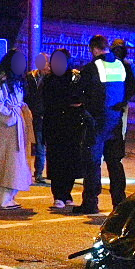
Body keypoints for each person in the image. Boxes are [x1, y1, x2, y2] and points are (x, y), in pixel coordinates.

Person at [74, 37, 135, 214]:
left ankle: (90, 202)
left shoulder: (90, 68)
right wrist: (122, 101)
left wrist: (87, 107)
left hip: (96, 122)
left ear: (94, 49)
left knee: (93, 163)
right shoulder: (120, 64)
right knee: (115, 163)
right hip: (115, 120)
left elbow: (80, 93)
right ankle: (119, 203)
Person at [0, 50, 34, 214]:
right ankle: (3, 199)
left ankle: (7, 197)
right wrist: (12, 117)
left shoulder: (16, 81)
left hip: (16, 124)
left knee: (15, 160)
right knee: (8, 160)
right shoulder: (2, 81)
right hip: (9, 127)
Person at [40, 49, 86, 209]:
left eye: (61, 61)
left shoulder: (74, 79)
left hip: (72, 128)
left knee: (71, 161)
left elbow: (80, 101)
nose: (57, 64)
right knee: (56, 162)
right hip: (54, 127)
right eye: (55, 61)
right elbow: (47, 103)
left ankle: (67, 193)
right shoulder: (48, 81)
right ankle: (58, 195)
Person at [27, 54, 47, 185]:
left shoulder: (51, 77)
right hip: (35, 115)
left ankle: (40, 172)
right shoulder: (30, 76)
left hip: (46, 116)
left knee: (42, 146)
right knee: (37, 146)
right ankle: (36, 173)